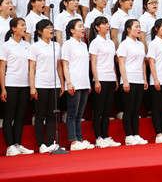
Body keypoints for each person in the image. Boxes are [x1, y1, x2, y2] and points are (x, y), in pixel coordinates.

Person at [28, 19, 64, 153]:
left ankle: (50, 142)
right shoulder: (35, 47)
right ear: (40, 31)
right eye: (47, 28)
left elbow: (59, 65)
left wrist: (62, 83)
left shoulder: (56, 45)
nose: (51, 30)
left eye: (51, 27)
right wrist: (32, 87)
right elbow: (32, 68)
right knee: (40, 115)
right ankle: (41, 144)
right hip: (41, 83)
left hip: (54, 84)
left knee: (52, 115)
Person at [1, 18, 35, 155]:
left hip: (24, 84)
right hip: (11, 83)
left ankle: (18, 144)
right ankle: (10, 146)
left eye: (25, 25)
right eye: (22, 25)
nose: (25, 27)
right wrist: (3, 88)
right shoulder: (6, 46)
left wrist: (31, 86)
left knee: (20, 116)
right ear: (14, 28)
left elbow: (31, 67)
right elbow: (2, 68)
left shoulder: (27, 45)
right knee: (9, 116)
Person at [88, 16, 121, 148]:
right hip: (100, 78)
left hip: (110, 78)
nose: (107, 26)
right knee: (99, 110)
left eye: (107, 23)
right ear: (97, 27)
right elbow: (93, 63)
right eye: (103, 24)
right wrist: (96, 80)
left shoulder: (111, 42)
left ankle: (106, 136)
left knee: (107, 111)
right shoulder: (95, 43)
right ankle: (98, 138)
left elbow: (112, 62)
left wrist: (116, 79)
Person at [61, 19, 94, 150]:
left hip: (84, 82)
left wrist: (88, 83)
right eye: (79, 26)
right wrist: (68, 82)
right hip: (74, 82)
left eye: (83, 26)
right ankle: (73, 141)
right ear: (72, 30)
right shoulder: (68, 44)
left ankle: (79, 139)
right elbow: (65, 64)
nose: (83, 29)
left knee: (79, 114)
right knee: (72, 113)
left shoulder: (84, 45)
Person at [117, 19, 149, 145]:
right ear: (128, 29)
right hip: (129, 79)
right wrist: (125, 81)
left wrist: (144, 79)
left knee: (136, 109)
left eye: (140, 26)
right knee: (129, 108)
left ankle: (136, 134)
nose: (139, 29)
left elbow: (143, 63)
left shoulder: (140, 44)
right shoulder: (124, 44)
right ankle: (128, 136)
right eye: (136, 27)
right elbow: (121, 63)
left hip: (139, 79)